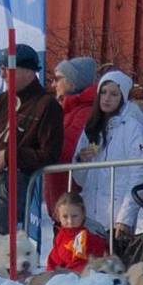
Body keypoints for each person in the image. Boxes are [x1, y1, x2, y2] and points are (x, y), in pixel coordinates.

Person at [0, 43, 63, 238]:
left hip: (12, 180)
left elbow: (49, 154)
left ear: (30, 72)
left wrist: (8, 156)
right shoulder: (2, 100)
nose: (3, 74)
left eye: (9, 69)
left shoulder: (46, 105)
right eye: (2, 68)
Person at [72, 70, 143, 240]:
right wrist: (81, 161)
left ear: (123, 97)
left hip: (115, 216)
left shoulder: (133, 127)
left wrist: (125, 218)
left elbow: (139, 175)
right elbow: (80, 180)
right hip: (90, 213)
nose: (107, 98)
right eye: (103, 92)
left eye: (114, 94)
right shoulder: (92, 127)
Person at [45, 56, 97, 223]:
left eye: (58, 79)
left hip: (71, 203)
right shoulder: (67, 110)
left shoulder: (84, 112)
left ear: (73, 83)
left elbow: (68, 150)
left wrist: (39, 148)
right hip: (61, 197)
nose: (53, 84)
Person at [45, 191, 107, 272]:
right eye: (65, 217)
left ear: (83, 214)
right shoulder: (61, 235)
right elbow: (54, 259)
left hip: (85, 274)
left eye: (74, 216)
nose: (70, 221)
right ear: (58, 216)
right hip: (65, 275)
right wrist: (51, 273)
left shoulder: (87, 235)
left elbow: (83, 262)